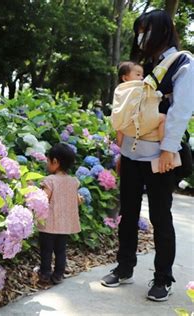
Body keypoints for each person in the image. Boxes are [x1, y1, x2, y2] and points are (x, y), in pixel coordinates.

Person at [101, 9, 194, 302]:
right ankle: (124, 267)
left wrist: (169, 149)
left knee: (160, 217)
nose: (141, 36)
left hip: (159, 157)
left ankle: (163, 278)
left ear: (161, 30)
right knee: (128, 214)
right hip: (132, 154)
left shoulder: (182, 63)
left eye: (145, 30)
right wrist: (122, 150)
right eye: (138, 30)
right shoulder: (146, 64)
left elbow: (180, 111)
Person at [37, 143, 81, 285]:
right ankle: (58, 274)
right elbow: (77, 200)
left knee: (47, 250)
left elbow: (44, 198)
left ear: (55, 161)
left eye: (48, 160)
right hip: (64, 225)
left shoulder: (50, 180)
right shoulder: (73, 182)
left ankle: (45, 274)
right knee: (61, 250)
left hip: (50, 224)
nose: (47, 163)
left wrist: (33, 191)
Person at [115, 61, 166, 148]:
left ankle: (120, 145)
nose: (142, 77)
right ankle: (164, 144)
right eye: (138, 75)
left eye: (142, 75)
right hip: (140, 121)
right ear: (125, 78)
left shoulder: (120, 90)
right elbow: (152, 97)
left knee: (118, 126)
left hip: (125, 125)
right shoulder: (137, 88)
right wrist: (158, 94)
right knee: (164, 118)